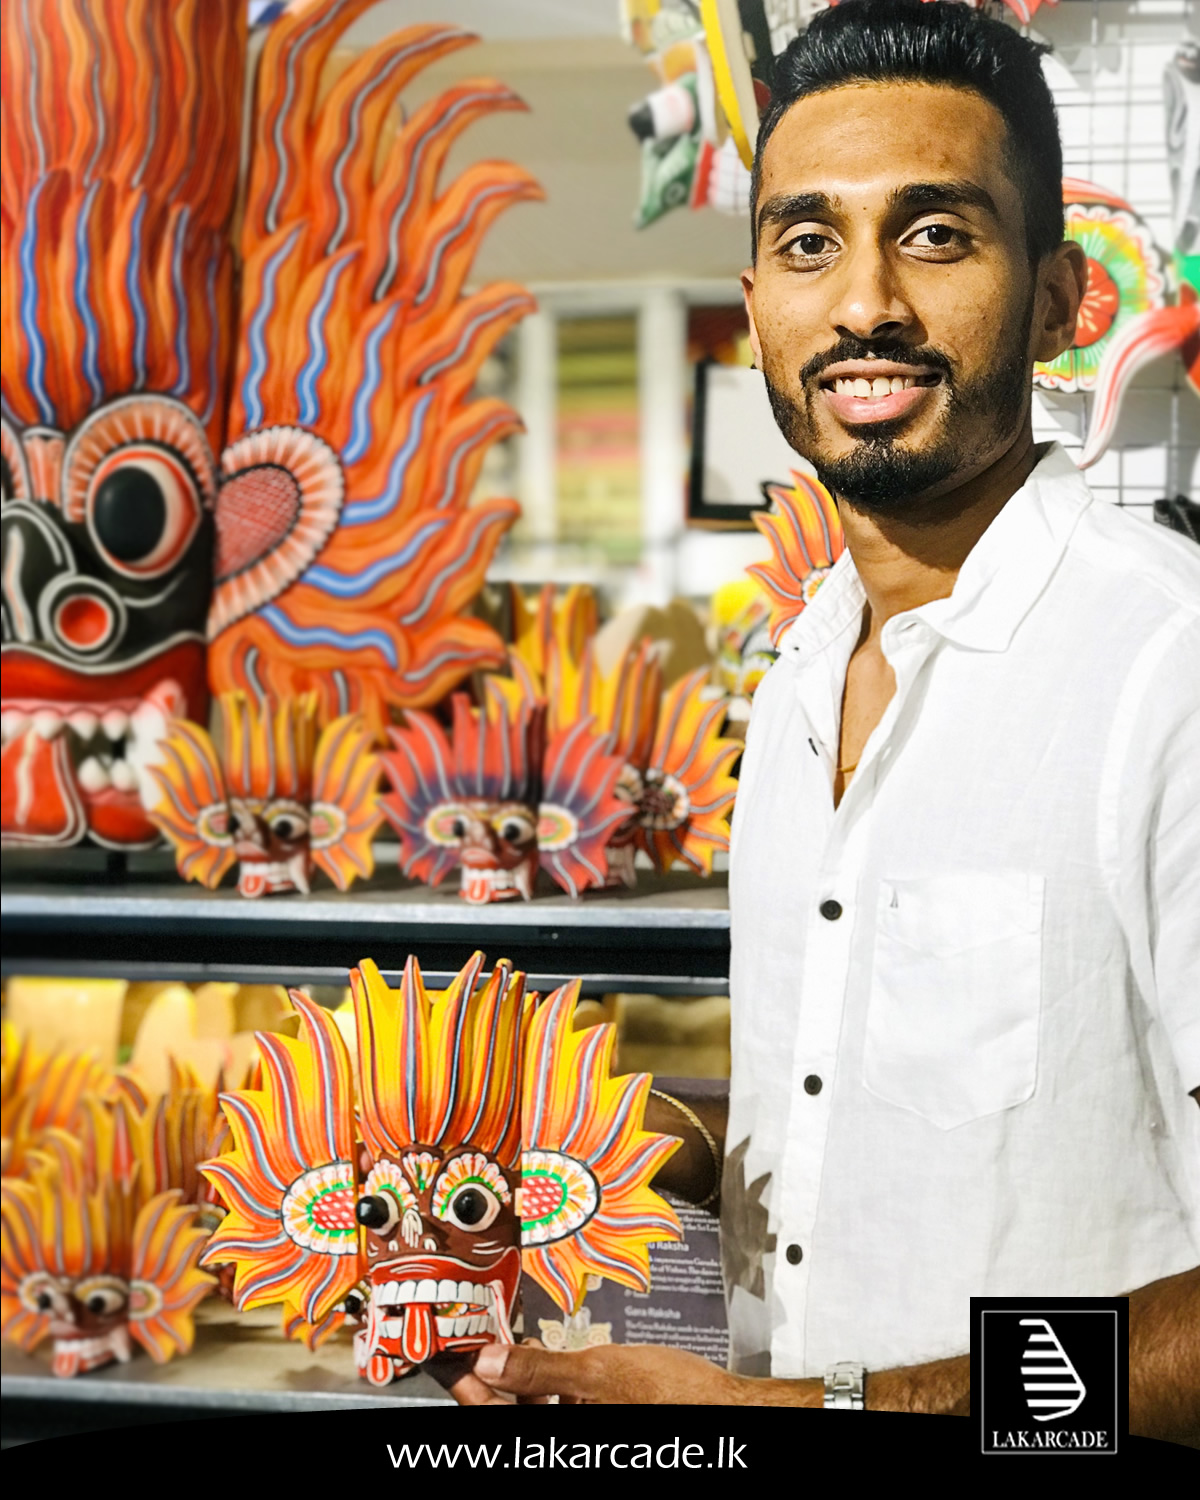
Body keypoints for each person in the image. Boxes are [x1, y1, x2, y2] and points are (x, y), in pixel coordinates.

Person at [452, 0, 1200, 1433]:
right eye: (809, 243)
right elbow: (892, 1127)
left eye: (936, 234)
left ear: (1058, 301)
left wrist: (833, 1407)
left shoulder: (1162, 669)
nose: (865, 305)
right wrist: (642, 1150)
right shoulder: (801, 678)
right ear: (756, 313)